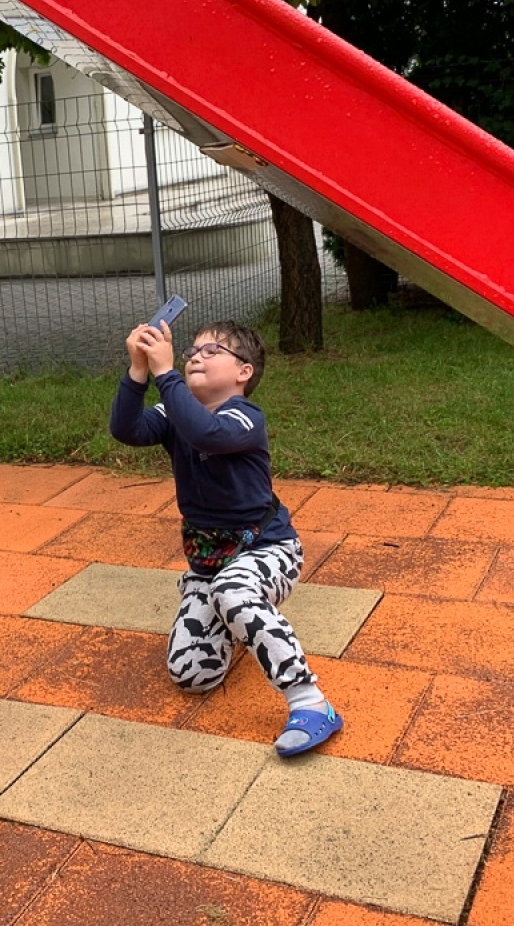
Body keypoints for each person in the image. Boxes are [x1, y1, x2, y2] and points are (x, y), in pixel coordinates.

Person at [110, 317, 341, 756]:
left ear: (243, 372)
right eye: (192, 350)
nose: (196, 355)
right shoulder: (176, 413)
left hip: (269, 549)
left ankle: (311, 703)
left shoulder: (243, 416)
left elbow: (207, 435)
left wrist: (166, 374)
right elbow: (127, 430)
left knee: (234, 591)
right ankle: (230, 616)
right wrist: (138, 370)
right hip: (210, 560)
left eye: (212, 351)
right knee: (191, 676)